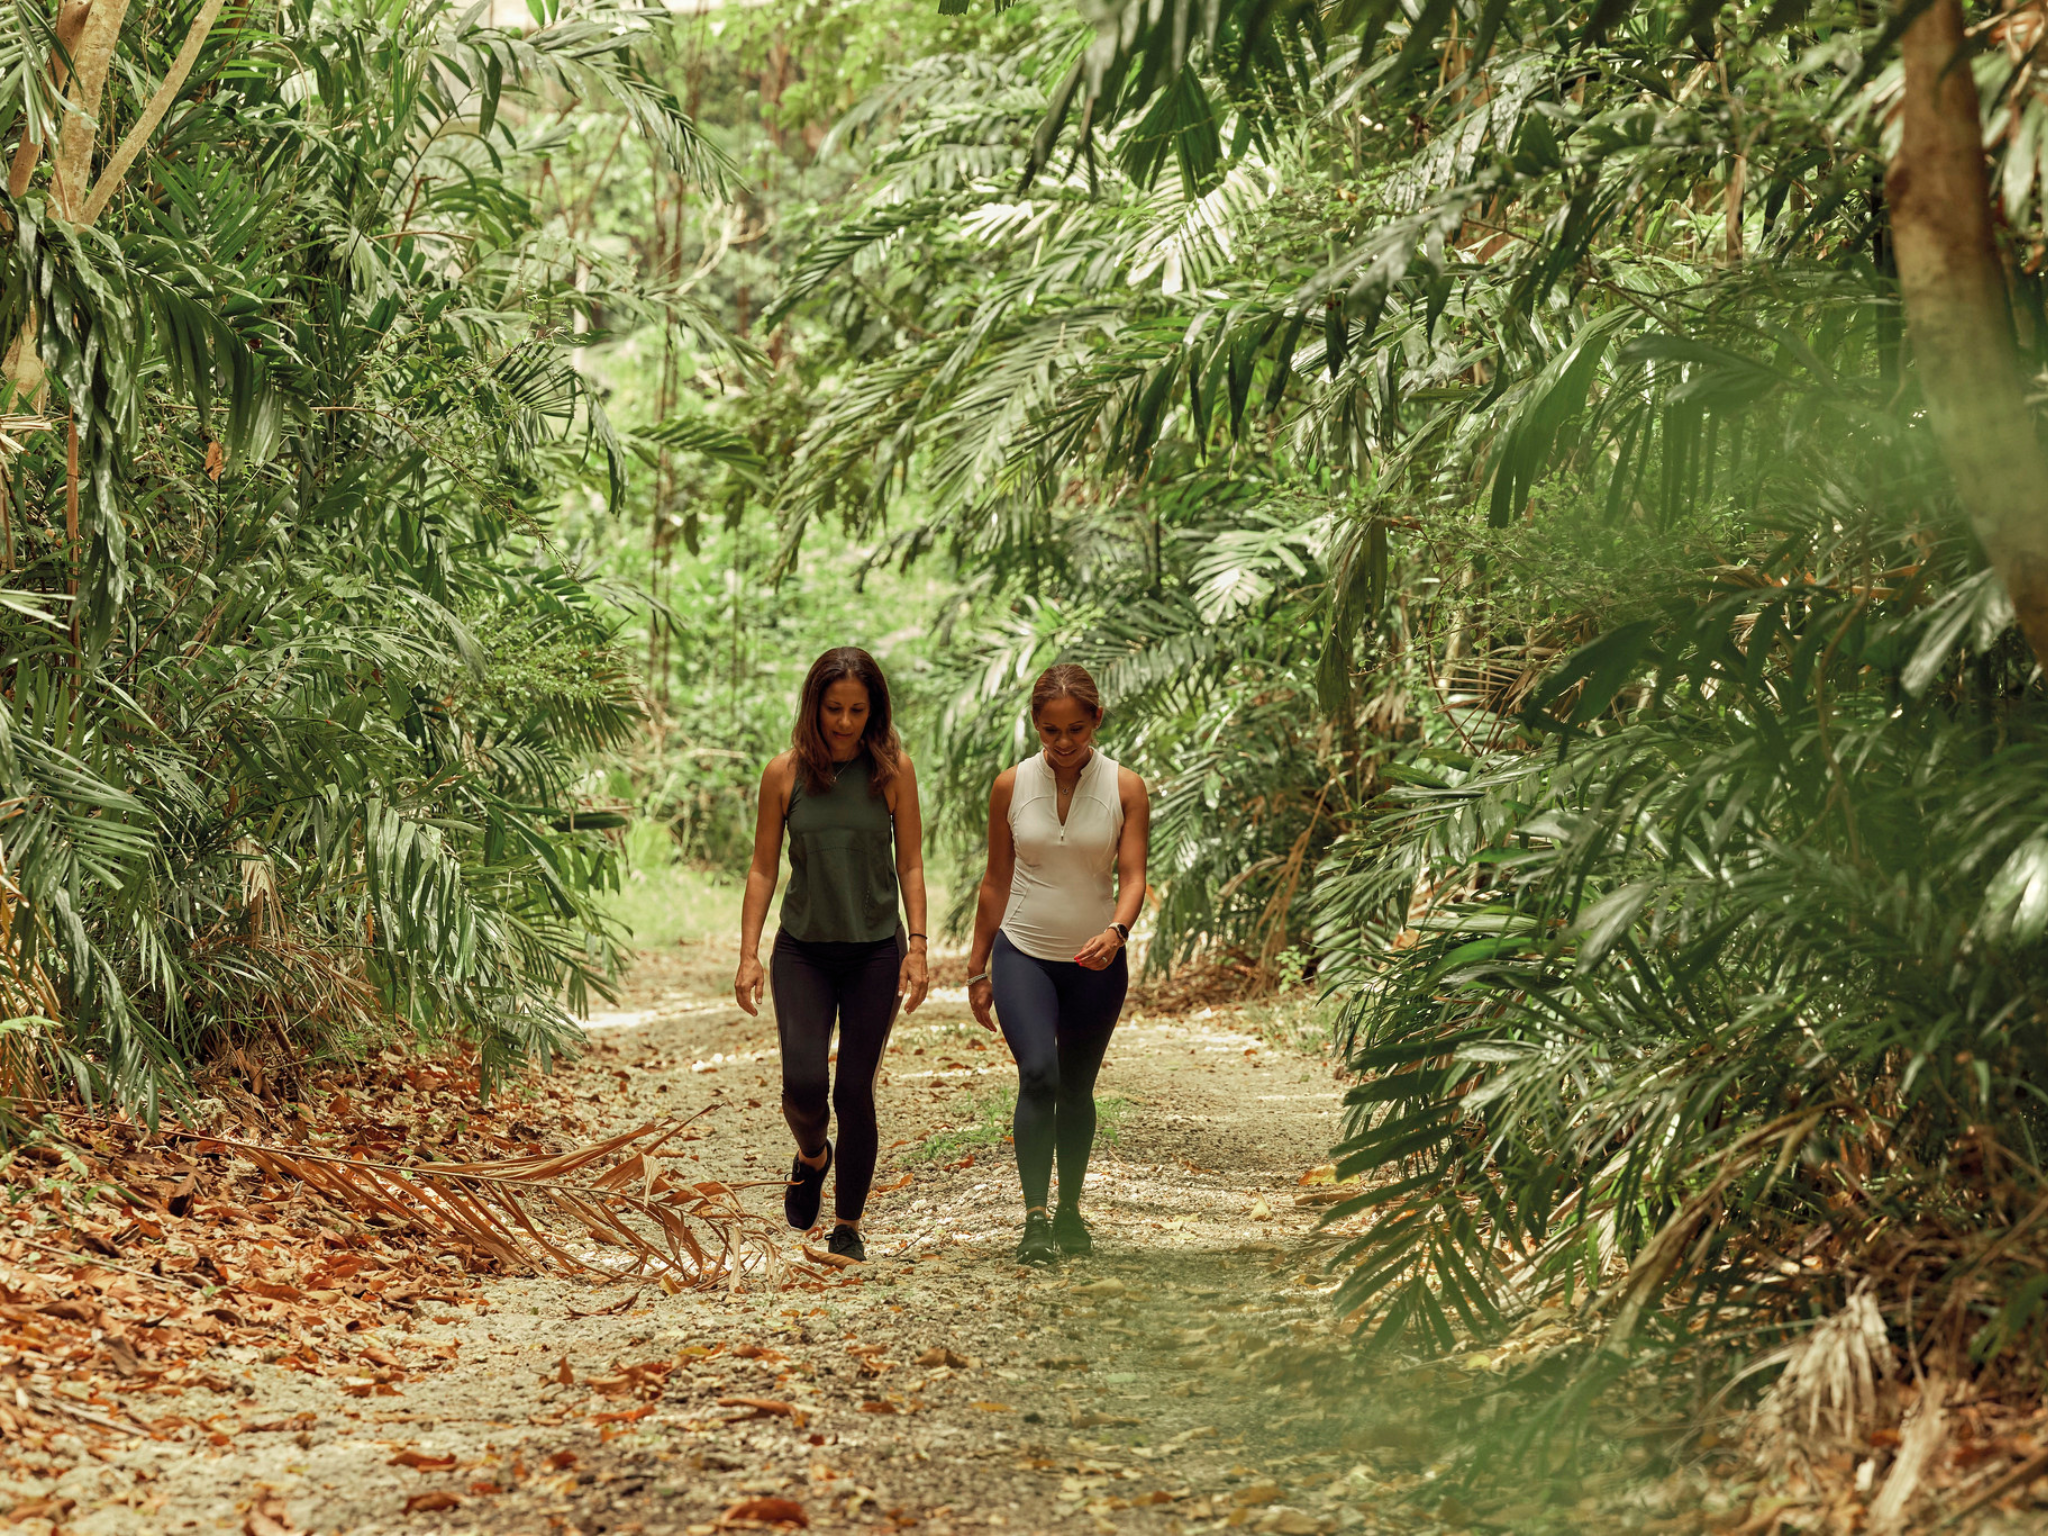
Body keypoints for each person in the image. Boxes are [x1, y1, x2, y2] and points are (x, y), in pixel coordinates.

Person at [735, 647, 930, 1263]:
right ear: (814, 706)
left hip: (875, 950)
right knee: (802, 1086)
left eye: (857, 710)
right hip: (804, 952)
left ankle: (847, 1225)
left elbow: (912, 863)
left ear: (874, 712)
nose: (844, 722)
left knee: (854, 1090)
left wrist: (918, 946)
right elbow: (764, 867)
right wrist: (748, 953)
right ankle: (812, 1155)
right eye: (833, 709)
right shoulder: (784, 773)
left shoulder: (893, 770)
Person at [966, 663, 1150, 1264]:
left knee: (1076, 1088)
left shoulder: (1126, 787)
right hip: (1023, 951)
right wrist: (977, 968)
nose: (1064, 743)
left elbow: (1134, 877)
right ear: (1035, 727)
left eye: (1075, 728)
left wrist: (1117, 932)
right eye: (1050, 731)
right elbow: (994, 881)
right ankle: (1034, 1219)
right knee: (1038, 1073)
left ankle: (1071, 1211)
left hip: (1097, 961)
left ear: (1097, 719)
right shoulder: (1008, 786)